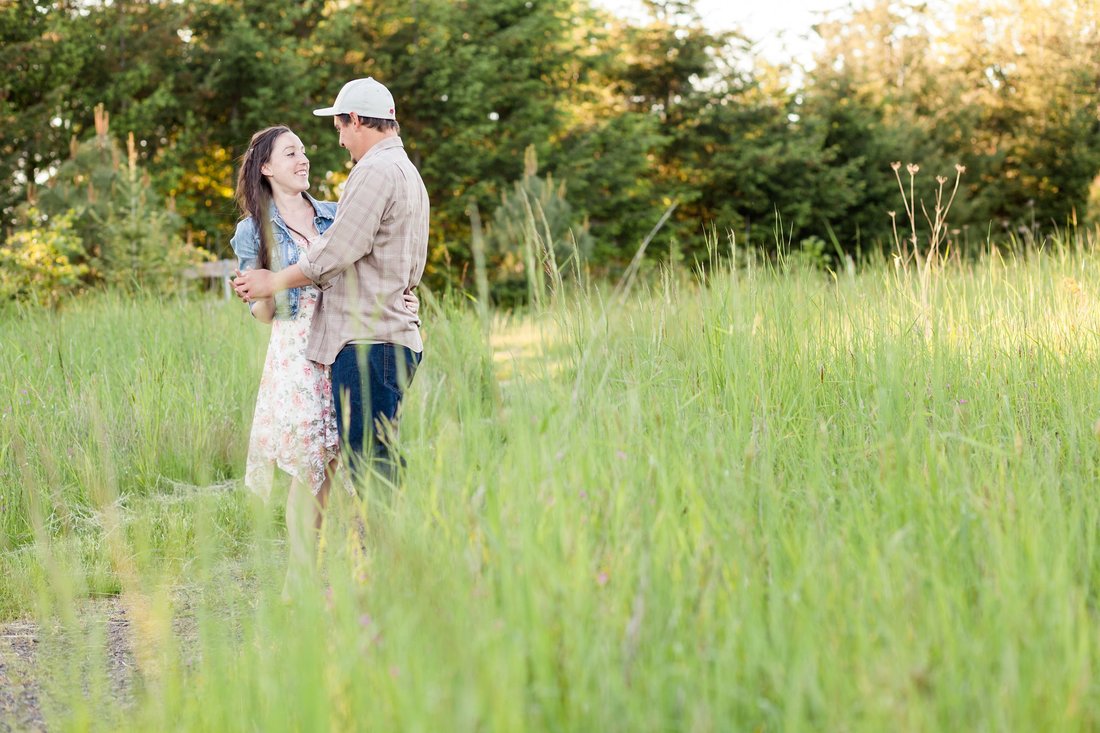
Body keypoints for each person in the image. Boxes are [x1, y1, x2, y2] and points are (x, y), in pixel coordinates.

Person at [233, 78, 430, 489]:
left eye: (340, 127)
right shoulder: (405, 171)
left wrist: (273, 281)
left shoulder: (372, 174)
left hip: (367, 340)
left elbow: (335, 253)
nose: (339, 140)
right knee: (363, 463)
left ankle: (383, 550)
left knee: (368, 466)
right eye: (292, 152)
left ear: (356, 119)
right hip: (354, 342)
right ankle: (366, 550)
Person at [230, 124, 344, 594]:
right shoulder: (252, 229)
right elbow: (263, 313)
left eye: (304, 151)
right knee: (306, 461)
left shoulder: (335, 216)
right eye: (291, 153)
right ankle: (299, 577)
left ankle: (314, 566)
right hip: (296, 350)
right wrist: (255, 294)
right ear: (267, 168)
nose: (304, 160)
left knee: (332, 460)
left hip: (341, 339)